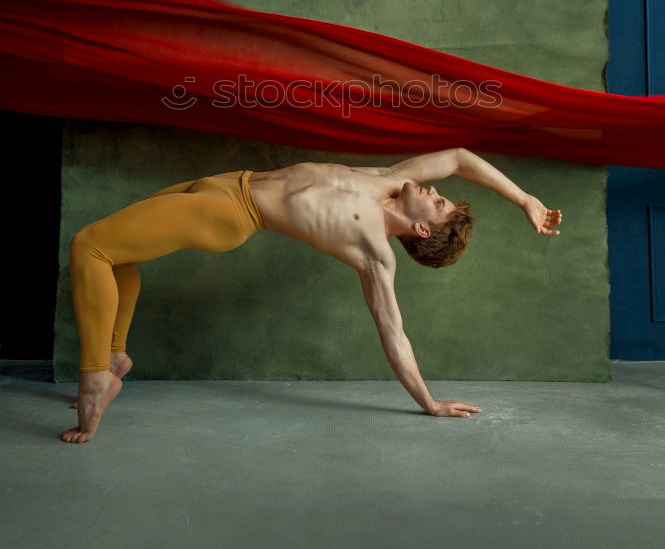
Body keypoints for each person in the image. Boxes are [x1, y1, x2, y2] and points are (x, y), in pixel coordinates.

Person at [61, 146, 563, 443]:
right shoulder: (386, 179)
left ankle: (93, 382)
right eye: (437, 193)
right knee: (119, 251)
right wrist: (523, 198)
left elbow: (395, 335)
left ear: (422, 231)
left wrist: (429, 402)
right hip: (223, 183)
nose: (433, 191)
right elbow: (458, 158)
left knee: (90, 248)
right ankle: (114, 359)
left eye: (437, 203)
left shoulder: (373, 252)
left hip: (230, 214)